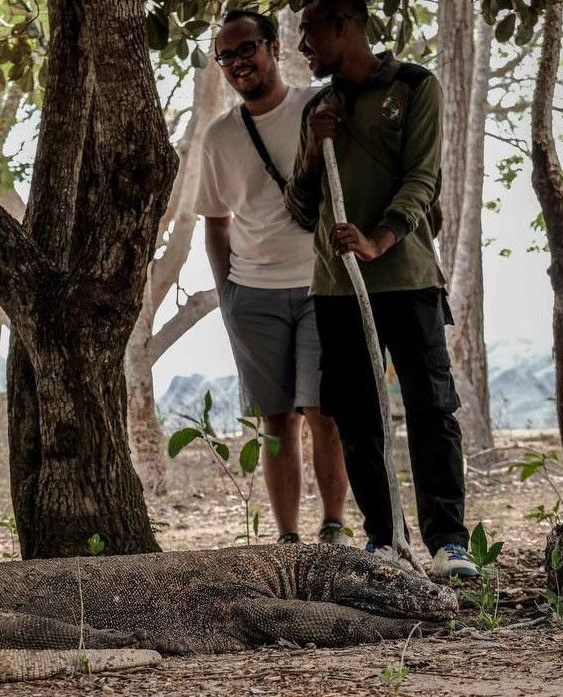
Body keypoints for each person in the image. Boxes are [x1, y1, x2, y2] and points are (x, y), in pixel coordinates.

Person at [284, 0, 477, 576]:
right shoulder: (318, 107)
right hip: (337, 287)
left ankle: (448, 543)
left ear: (343, 24)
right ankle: (386, 539)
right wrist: (316, 149)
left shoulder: (417, 87)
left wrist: (379, 239)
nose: (301, 47)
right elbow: (299, 207)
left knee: (430, 409)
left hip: (408, 278)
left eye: (309, 32)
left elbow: (424, 178)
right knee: (356, 415)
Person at [195, 9, 351, 546]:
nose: (239, 62)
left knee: (323, 411)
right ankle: (288, 539)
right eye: (227, 55)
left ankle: (333, 527)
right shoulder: (219, 138)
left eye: (247, 49)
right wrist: (228, 295)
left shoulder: (317, 106)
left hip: (320, 284)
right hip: (251, 293)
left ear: (274, 48)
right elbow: (215, 223)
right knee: (277, 422)